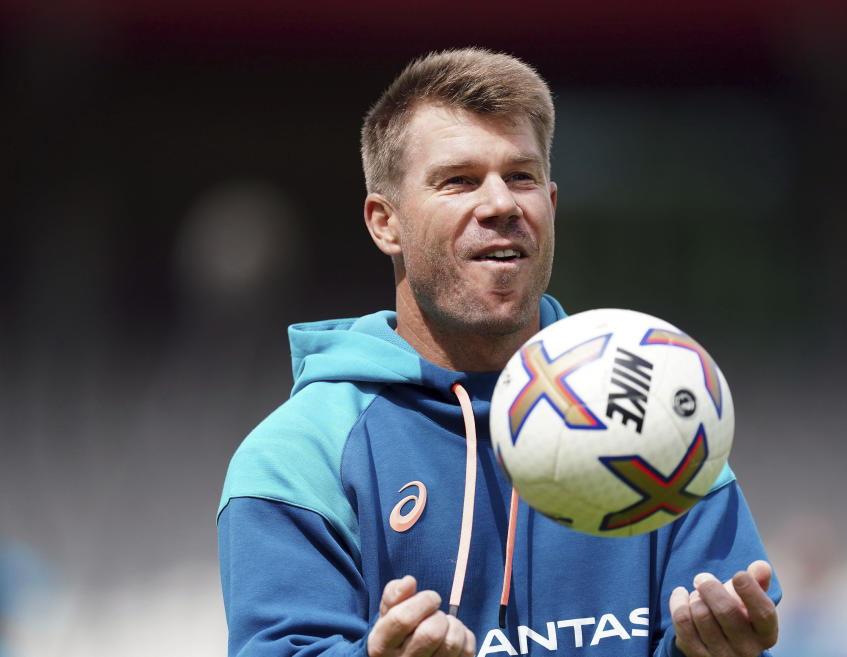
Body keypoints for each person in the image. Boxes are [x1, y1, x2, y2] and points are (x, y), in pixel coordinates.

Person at [217, 47, 781, 657]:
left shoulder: (660, 412)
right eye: (458, 180)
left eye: (521, 177)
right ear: (386, 224)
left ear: (551, 206)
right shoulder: (300, 457)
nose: (502, 204)